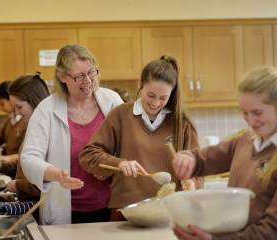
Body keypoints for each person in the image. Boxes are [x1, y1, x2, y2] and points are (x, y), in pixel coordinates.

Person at [79, 55, 199, 221]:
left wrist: (192, 182)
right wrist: (119, 163)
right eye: (151, 95)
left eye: (163, 98)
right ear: (140, 84)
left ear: (172, 94)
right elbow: (88, 155)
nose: (156, 103)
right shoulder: (120, 115)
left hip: (171, 215)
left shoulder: (182, 123)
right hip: (125, 214)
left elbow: (199, 168)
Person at [20, 44, 123, 225]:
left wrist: (110, 165)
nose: (88, 81)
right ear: (62, 77)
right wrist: (55, 174)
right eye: (80, 76)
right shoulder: (46, 110)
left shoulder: (112, 101)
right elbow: (29, 158)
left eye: (92, 72)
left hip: (111, 208)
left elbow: (127, 146)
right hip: (65, 213)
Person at [172, 66, 277, 240]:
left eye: (257, 113)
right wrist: (189, 158)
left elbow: (272, 231)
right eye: (244, 113)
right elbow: (205, 158)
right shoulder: (245, 140)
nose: (250, 121)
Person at [0, 74, 50, 204]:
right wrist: (0, 166)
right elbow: (25, 165)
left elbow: (47, 181)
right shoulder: (33, 126)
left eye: (19, 107)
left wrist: (18, 185)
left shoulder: (47, 133)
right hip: (28, 203)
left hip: (40, 207)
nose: (16, 112)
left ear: (34, 101)